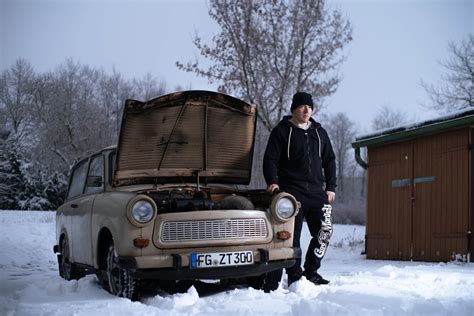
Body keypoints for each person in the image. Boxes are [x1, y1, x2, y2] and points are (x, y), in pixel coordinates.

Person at [263, 91, 336, 286]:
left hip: (317, 192)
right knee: (290, 237)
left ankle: (311, 271)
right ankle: (295, 276)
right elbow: (270, 159)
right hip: (292, 193)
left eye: (310, 107)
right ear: (294, 108)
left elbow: (329, 160)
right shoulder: (281, 131)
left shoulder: (320, 133)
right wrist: (273, 181)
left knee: (325, 231)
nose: (306, 110)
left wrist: (331, 187)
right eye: (302, 106)